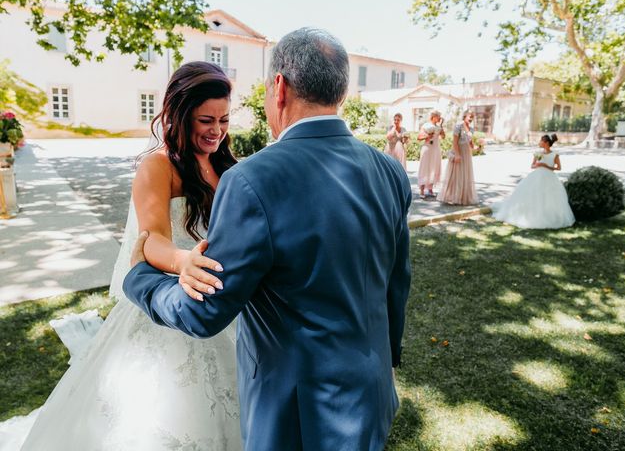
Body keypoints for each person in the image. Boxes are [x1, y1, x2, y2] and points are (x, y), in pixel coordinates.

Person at [124, 27, 412, 451]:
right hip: (370, 394)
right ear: (342, 92)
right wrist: (387, 360)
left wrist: (140, 280)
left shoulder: (250, 178)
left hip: (300, 414)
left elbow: (204, 314)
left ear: (278, 87)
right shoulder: (388, 170)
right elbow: (396, 284)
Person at [18, 62, 243, 450]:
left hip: (220, 302)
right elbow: (151, 239)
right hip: (167, 303)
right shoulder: (158, 166)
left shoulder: (227, 165)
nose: (216, 131)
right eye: (206, 119)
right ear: (179, 114)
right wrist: (182, 262)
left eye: (223, 120)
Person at [493, 134, 575, 228]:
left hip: (550, 178)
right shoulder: (538, 153)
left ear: (546, 143)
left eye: (541, 141)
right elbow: (532, 166)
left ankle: (549, 216)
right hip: (537, 176)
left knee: (549, 198)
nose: (539, 143)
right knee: (534, 196)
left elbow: (559, 168)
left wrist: (546, 166)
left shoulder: (554, 155)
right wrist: (538, 165)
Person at [438, 110, 478, 205]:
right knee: (456, 175)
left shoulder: (471, 129)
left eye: (472, 116)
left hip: (467, 155)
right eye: (469, 116)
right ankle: (452, 196)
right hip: (458, 152)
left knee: (465, 175)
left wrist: (478, 146)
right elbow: (455, 142)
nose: (471, 118)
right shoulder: (458, 126)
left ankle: (463, 197)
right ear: (464, 116)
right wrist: (457, 154)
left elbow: (471, 143)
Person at [417, 110, 445, 198]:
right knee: (424, 167)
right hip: (427, 148)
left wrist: (441, 126)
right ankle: (421, 190)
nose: (439, 118)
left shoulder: (438, 127)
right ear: (433, 116)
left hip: (435, 149)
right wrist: (427, 136)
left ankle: (430, 189)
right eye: (438, 116)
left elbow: (443, 136)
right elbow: (419, 137)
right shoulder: (426, 125)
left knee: (434, 168)